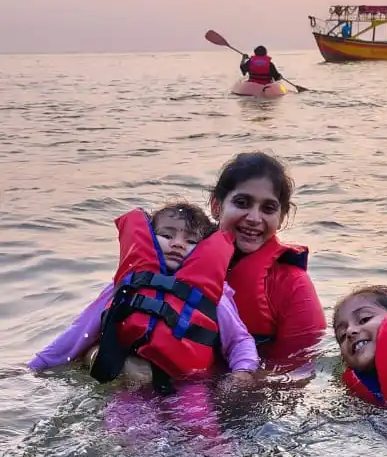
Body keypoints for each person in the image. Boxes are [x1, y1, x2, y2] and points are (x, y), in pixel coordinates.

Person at [28, 204, 259, 389]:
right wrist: (37, 365)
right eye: (167, 235)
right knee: (120, 435)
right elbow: (80, 331)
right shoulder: (125, 286)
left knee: (206, 440)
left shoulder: (214, 295)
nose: (178, 244)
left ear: (203, 249)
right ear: (149, 238)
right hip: (131, 385)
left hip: (189, 388)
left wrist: (243, 371)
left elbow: (239, 339)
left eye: (190, 241)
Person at [210, 152, 326, 367]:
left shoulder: (293, 285)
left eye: (268, 208)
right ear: (216, 206)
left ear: (281, 217)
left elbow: (300, 370)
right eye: (242, 203)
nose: (254, 218)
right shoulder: (177, 257)